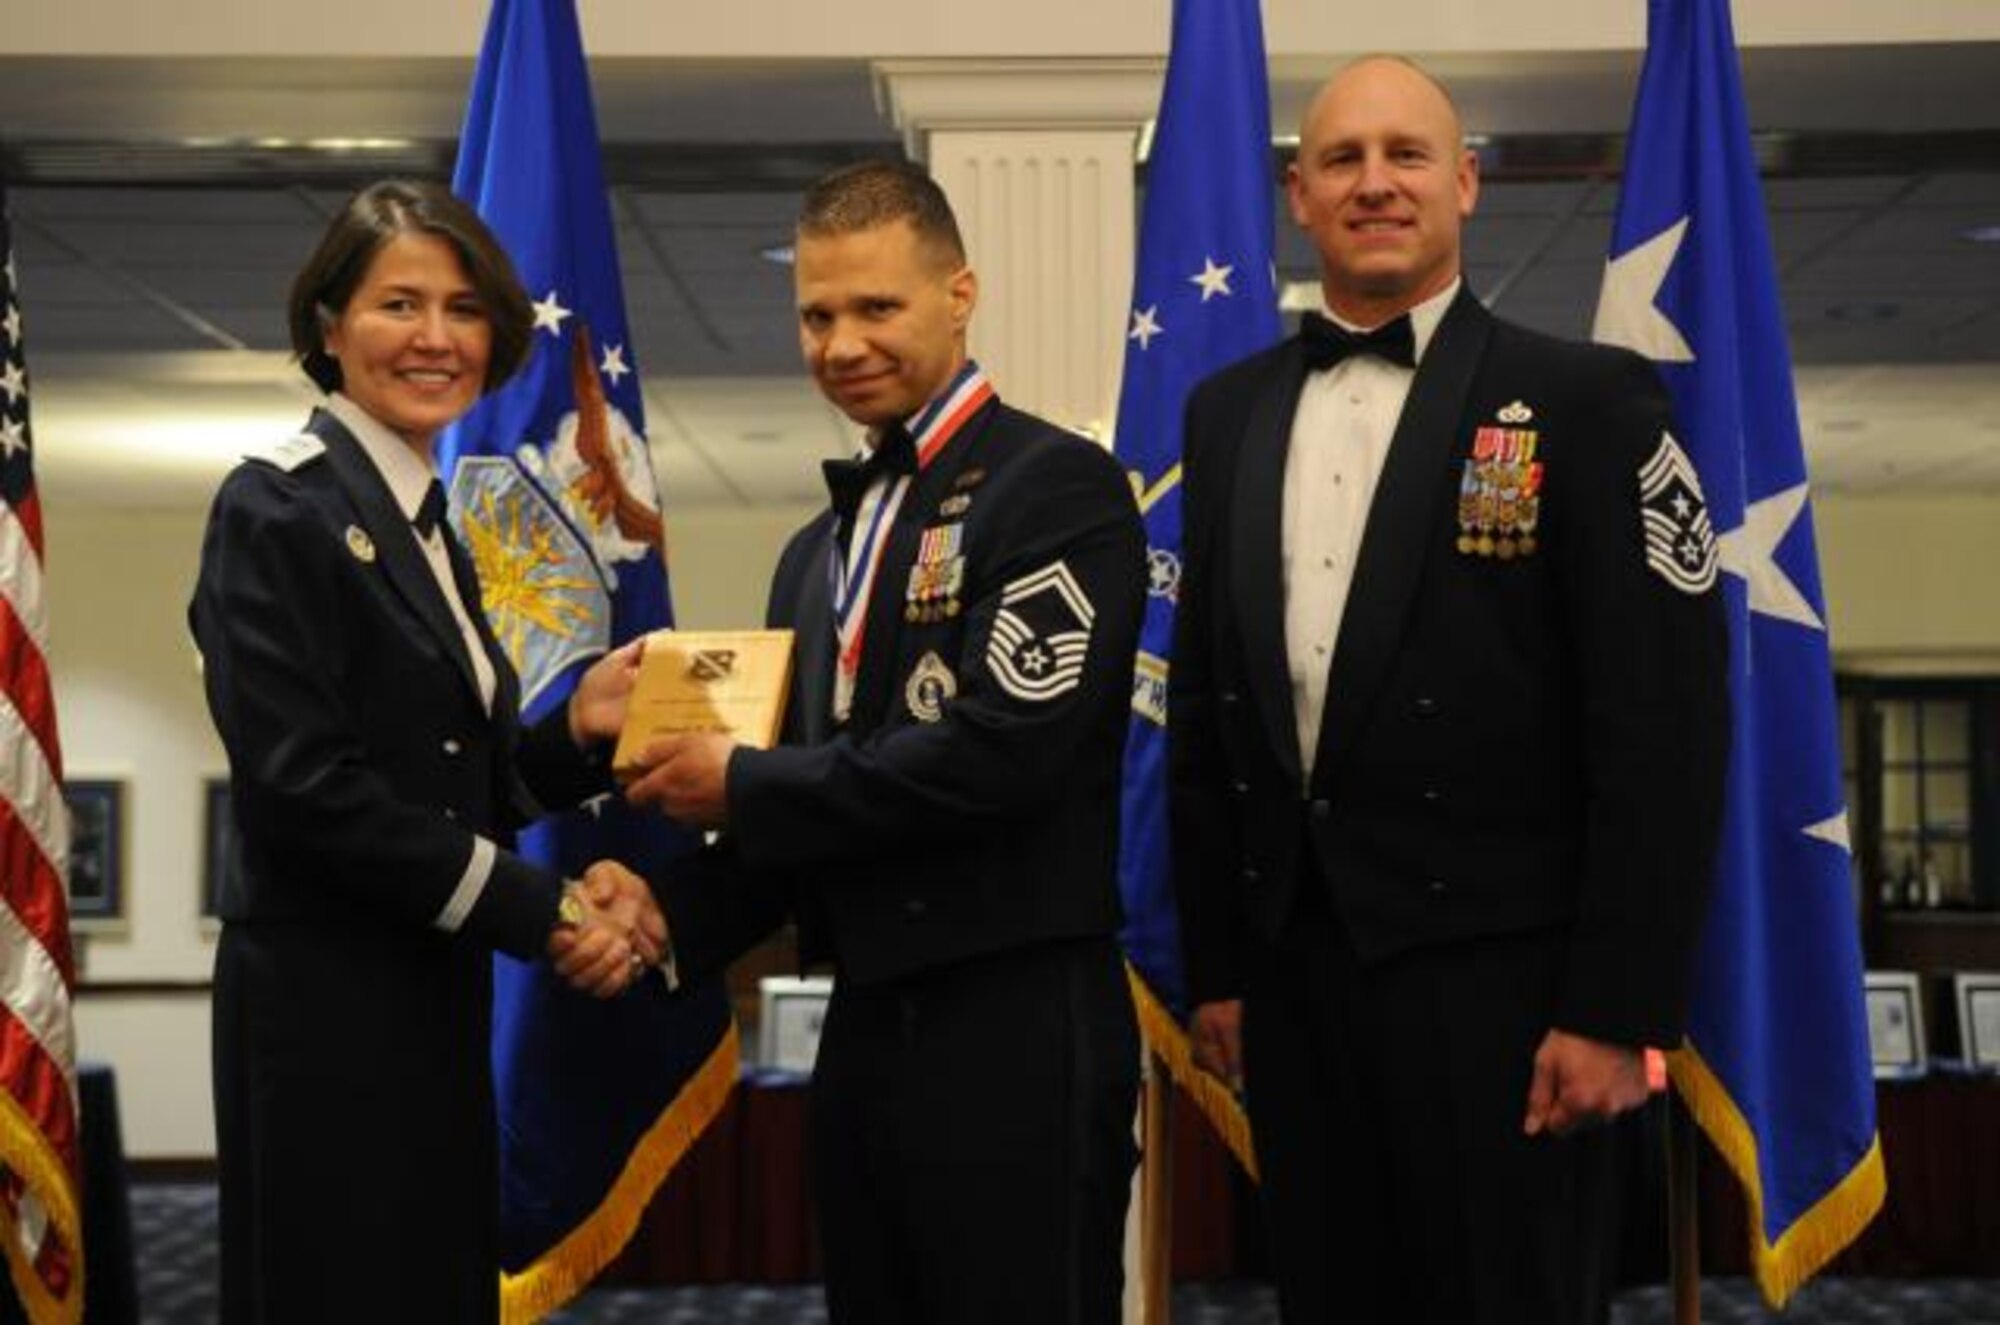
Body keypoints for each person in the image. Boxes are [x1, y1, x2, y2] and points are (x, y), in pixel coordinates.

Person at [1168, 57, 1730, 1323]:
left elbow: (1663, 730)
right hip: (1296, 990)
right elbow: (1210, 714)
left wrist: (1613, 1009)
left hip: (1511, 1000)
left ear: (1465, 183)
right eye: (1343, 159)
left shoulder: (1584, 399)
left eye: (1406, 155)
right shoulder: (1226, 413)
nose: (1375, 182)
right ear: (1296, 195)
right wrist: (1218, 970)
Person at [613, 159, 1145, 1324]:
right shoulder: (815, 549)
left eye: (875, 307)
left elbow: (1005, 753)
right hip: (862, 1026)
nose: (841, 341)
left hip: (1015, 1018)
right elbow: (807, 817)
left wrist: (744, 781)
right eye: (816, 313)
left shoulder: (1056, 486)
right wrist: (671, 912)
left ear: (959, 294)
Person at [189, 178, 665, 1323]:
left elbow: (455, 784)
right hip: (323, 1008)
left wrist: (581, 732)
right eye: (399, 304)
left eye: (463, 309)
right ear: (328, 325)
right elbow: (311, 793)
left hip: (423, 992)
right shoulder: (278, 509)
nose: (436, 338)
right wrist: (547, 911)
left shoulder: (425, 520)